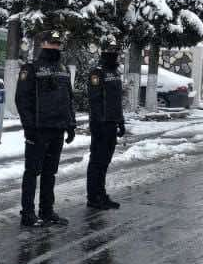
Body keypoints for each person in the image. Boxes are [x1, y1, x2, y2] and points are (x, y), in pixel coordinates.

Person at [15, 28, 74, 226]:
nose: (54, 46)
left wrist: (71, 124)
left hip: (57, 128)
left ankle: (47, 211)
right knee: (32, 172)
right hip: (39, 129)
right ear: (42, 44)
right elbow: (22, 100)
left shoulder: (63, 69)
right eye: (51, 43)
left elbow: (68, 99)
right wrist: (29, 127)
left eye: (57, 44)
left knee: (50, 173)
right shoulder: (31, 68)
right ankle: (28, 214)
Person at [85, 42, 128, 209]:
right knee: (97, 161)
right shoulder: (98, 73)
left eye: (115, 50)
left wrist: (120, 121)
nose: (114, 54)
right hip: (100, 124)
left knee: (105, 162)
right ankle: (93, 197)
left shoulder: (115, 73)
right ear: (103, 53)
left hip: (112, 123)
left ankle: (101, 194)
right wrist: (98, 123)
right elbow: (94, 101)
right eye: (110, 51)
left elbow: (116, 101)